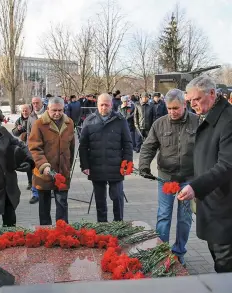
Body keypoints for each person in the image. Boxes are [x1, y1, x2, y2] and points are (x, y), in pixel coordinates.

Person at [177, 75, 232, 273]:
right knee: (219, 261)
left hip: (225, 209)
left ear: (212, 93)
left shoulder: (227, 120)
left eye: (196, 99)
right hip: (211, 203)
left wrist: (195, 186)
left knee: (225, 266)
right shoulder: (210, 115)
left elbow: (226, 165)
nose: (192, 105)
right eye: (189, 101)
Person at [139, 89, 199, 266]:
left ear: (184, 105)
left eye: (176, 108)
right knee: (164, 215)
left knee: (185, 217)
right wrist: (143, 166)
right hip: (166, 178)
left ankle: (179, 252)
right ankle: (161, 252)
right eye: (169, 108)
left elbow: (206, 149)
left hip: (189, 179)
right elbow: (148, 147)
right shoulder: (160, 124)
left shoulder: (197, 122)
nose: (172, 112)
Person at [79, 93, 133, 222]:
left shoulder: (120, 121)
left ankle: (118, 224)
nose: (104, 107)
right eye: (101, 105)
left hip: (116, 166)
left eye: (106, 105)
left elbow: (127, 143)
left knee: (117, 197)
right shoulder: (89, 121)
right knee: (100, 200)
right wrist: (84, 165)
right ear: (97, 105)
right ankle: (102, 226)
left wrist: (128, 162)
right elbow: (83, 146)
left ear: (112, 105)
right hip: (96, 166)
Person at [28, 97, 75, 225]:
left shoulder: (69, 123)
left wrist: (68, 166)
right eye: (54, 110)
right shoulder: (39, 124)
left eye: (60, 110)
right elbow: (34, 147)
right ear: (48, 109)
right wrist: (44, 165)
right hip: (44, 172)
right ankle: (45, 232)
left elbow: (71, 147)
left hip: (62, 171)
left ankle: (63, 231)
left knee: (62, 204)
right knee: (44, 205)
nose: (57, 113)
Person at [27, 96, 47, 204]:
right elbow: (28, 134)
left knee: (49, 169)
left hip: (47, 148)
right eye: (33, 103)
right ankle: (35, 194)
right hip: (34, 149)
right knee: (35, 171)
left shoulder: (49, 113)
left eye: (37, 102)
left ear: (42, 103)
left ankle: (51, 189)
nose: (35, 105)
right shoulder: (31, 116)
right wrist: (28, 148)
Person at [12, 104, 32, 190]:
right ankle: (30, 182)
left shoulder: (33, 119)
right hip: (25, 146)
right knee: (29, 165)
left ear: (30, 110)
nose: (24, 112)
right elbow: (14, 133)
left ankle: (36, 183)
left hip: (34, 144)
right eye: (23, 110)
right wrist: (18, 129)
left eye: (26, 110)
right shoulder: (19, 120)